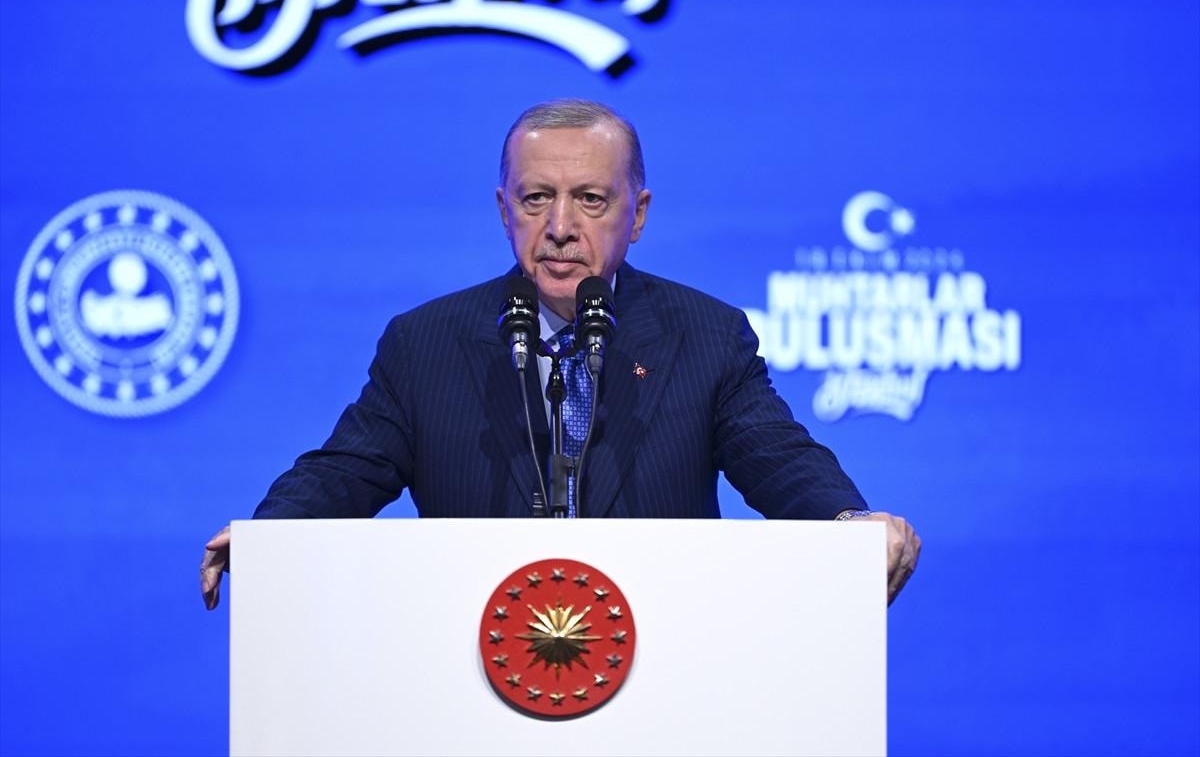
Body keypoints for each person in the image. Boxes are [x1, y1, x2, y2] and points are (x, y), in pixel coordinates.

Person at [201, 99, 921, 609]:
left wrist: (847, 526)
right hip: (469, 660)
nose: (560, 227)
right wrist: (270, 537)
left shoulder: (704, 335)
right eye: (537, 198)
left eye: (591, 200)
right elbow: (346, 470)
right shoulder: (425, 342)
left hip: (667, 656)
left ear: (638, 214)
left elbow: (777, 457)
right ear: (504, 210)